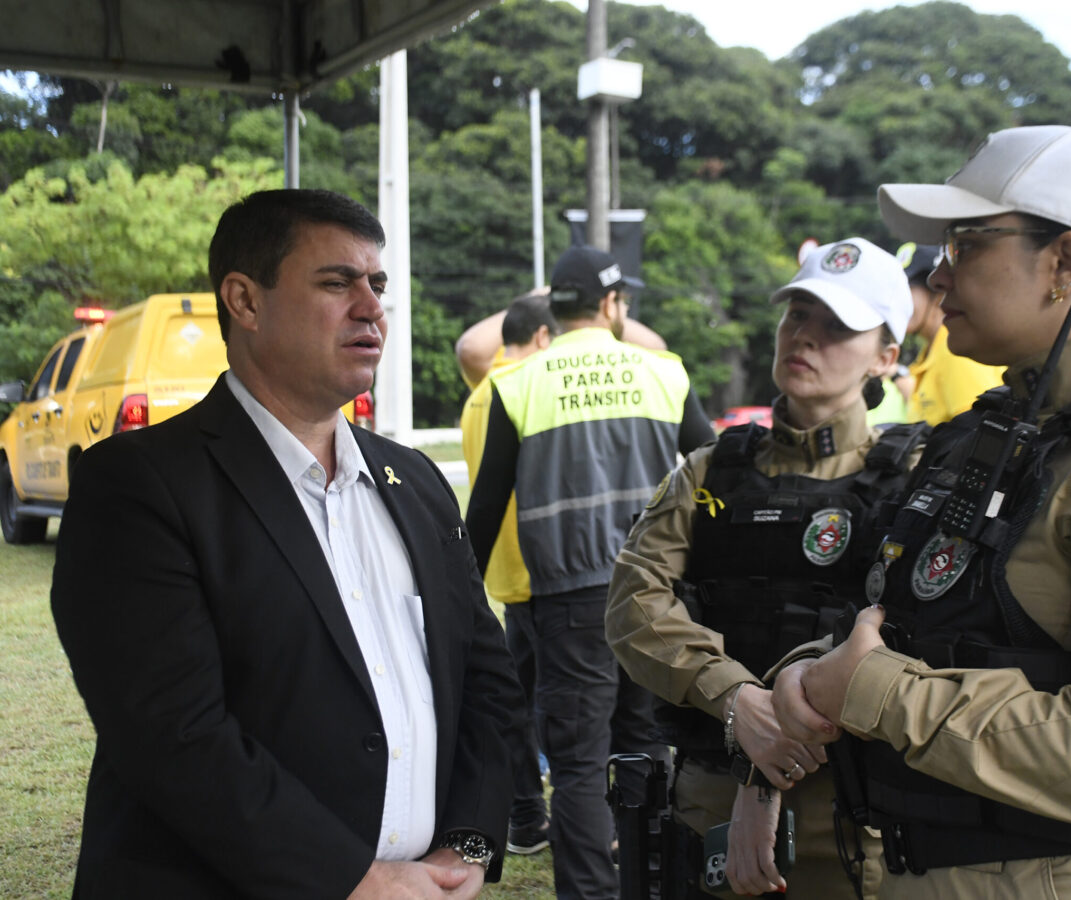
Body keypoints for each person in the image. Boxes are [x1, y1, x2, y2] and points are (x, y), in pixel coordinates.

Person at [772, 125, 1071, 898]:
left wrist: (874, 691)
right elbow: (905, 628)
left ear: (1065, 265)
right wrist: (810, 679)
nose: (937, 275)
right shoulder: (993, 437)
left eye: (967, 243)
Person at [51, 188, 524, 900]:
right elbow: (172, 736)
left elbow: (487, 679)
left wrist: (471, 844)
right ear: (244, 300)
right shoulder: (139, 485)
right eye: (337, 283)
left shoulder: (416, 482)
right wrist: (353, 881)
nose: (372, 308)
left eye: (378, 285)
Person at [607, 237, 925, 899]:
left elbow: (907, 634)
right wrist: (734, 700)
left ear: (886, 358)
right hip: (715, 798)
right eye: (797, 316)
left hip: (857, 811)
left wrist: (777, 753)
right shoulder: (711, 473)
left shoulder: (917, 479)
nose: (805, 337)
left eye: (837, 327)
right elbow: (635, 603)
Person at [466, 244, 716, 900]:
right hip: (659, 592)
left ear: (556, 308)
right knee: (648, 748)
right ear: (610, 305)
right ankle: (655, 882)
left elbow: (487, 506)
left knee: (577, 766)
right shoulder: (663, 373)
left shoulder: (518, 384)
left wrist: (458, 594)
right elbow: (718, 472)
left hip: (569, 599)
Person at [458, 290, 559, 856]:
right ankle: (575, 818)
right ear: (543, 339)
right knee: (569, 703)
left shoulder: (479, 395)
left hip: (504, 577)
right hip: (552, 571)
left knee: (514, 703)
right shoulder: (533, 391)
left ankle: (526, 817)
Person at [895, 242, 1003, 426]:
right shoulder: (932, 350)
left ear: (937, 292)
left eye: (905, 291)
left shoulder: (954, 351)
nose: (897, 302)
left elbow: (975, 430)